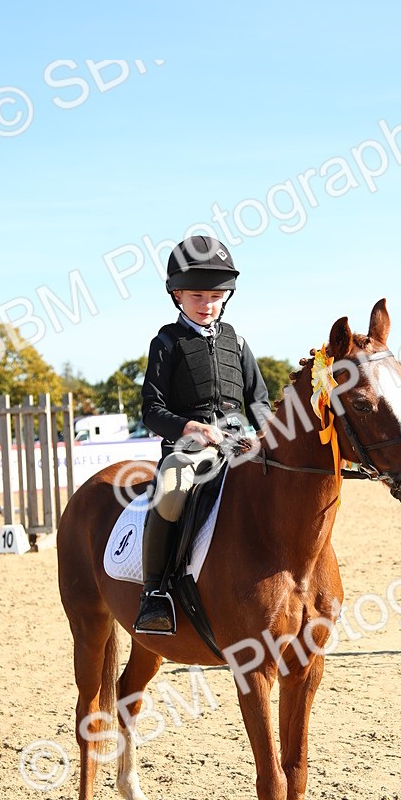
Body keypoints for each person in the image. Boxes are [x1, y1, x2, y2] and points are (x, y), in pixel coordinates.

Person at [134, 236, 272, 634]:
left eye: (215, 295)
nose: (207, 303)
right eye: (197, 294)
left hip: (237, 443)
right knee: (174, 482)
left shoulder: (237, 341)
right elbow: (150, 409)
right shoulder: (166, 342)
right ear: (177, 294)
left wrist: (266, 436)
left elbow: (258, 400)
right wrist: (189, 427)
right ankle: (154, 593)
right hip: (188, 448)